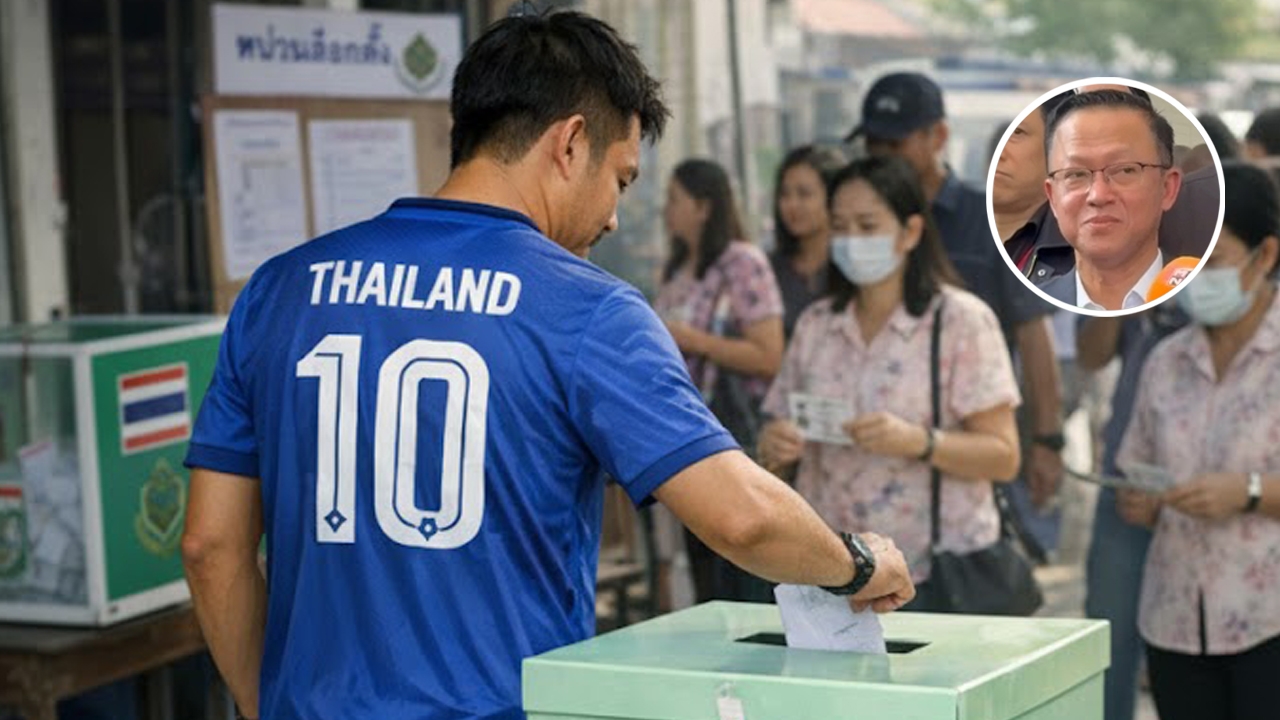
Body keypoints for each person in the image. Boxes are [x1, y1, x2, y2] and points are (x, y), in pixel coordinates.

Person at [179, 12, 914, 720]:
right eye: (621, 180)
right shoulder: (587, 311)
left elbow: (211, 547)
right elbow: (743, 519)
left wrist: (263, 703)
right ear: (569, 145)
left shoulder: (278, 290)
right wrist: (854, 563)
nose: (615, 216)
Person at [757, 156, 1021, 590]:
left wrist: (918, 442)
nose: (850, 240)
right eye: (839, 226)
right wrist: (775, 446)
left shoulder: (960, 322)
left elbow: (1004, 456)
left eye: (867, 225)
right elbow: (779, 432)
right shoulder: (816, 324)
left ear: (911, 231)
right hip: (829, 570)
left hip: (931, 571)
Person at [848, 72, 1064, 549]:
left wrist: (1048, 440)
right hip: (873, 458)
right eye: (872, 144)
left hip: (979, 441)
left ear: (938, 137)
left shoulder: (992, 218)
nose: (880, 156)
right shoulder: (855, 231)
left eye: (894, 142)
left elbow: (1034, 334)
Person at [1116, 161, 1280, 720]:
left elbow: (1250, 490)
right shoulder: (1166, 361)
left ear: (1266, 256)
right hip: (1175, 620)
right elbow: (1134, 471)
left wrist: (1251, 492)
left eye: (1213, 261)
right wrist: (1138, 500)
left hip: (1269, 620)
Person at [653, 158, 785, 603]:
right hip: (683, 437)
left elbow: (769, 355)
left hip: (733, 434)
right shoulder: (674, 270)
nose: (665, 209)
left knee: (742, 574)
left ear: (704, 206)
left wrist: (695, 340)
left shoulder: (742, 264)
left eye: (674, 199)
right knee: (704, 569)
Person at [1077, 302, 1188, 720]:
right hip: (1129, 486)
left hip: (1215, 495)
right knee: (1109, 638)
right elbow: (1091, 355)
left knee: (1203, 647)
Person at [1039, 90, 1184, 310]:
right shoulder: (1029, 310)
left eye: (1125, 171)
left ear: (1167, 188)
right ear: (1052, 198)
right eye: (1076, 174)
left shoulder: (1200, 301)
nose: (1098, 195)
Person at [769, 145, 849, 339]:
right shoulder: (769, 269)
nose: (792, 205)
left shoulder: (853, 264)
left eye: (804, 194)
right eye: (785, 194)